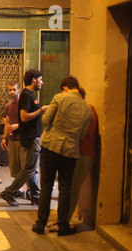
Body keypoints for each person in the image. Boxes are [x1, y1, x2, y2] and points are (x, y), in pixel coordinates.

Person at [32, 76, 91, 236]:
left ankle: (40, 225)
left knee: (46, 187)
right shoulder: (87, 109)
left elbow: (45, 119)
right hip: (70, 152)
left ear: (65, 88)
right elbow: (83, 134)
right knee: (65, 188)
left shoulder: (59, 98)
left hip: (51, 146)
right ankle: (63, 226)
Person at [0, 69, 47, 206]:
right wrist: (41, 110)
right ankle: (10, 192)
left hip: (30, 137)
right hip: (31, 138)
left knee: (30, 168)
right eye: (41, 79)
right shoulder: (27, 95)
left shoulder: (28, 95)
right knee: (29, 169)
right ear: (34, 79)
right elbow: (24, 117)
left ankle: (36, 195)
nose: (42, 82)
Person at [1, 80, 29, 198]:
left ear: (19, 90)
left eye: (14, 89)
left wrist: (17, 125)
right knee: (15, 167)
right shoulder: (8, 106)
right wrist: (4, 138)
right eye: (10, 90)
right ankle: (19, 189)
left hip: (23, 139)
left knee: (26, 167)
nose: (12, 92)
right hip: (12, 140)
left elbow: (29, 121)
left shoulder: (24, 104)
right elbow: (7, 122)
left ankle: (30, 190)